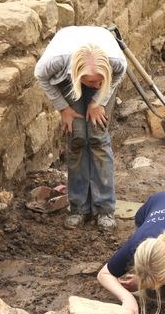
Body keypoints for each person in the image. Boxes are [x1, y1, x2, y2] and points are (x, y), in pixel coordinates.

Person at [35, 26, 127, 230]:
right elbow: (41, 77)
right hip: (69, 80)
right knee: (77, 139)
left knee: (97, 138)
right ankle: (78, 208)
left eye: (99, 80)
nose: (95, 84)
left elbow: (116, 77)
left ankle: (105, 209)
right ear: (78, 75)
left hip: (98, 73)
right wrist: (64, 109)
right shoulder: (55, 62)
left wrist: (98, 102)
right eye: (91, 82)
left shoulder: (116, 62)